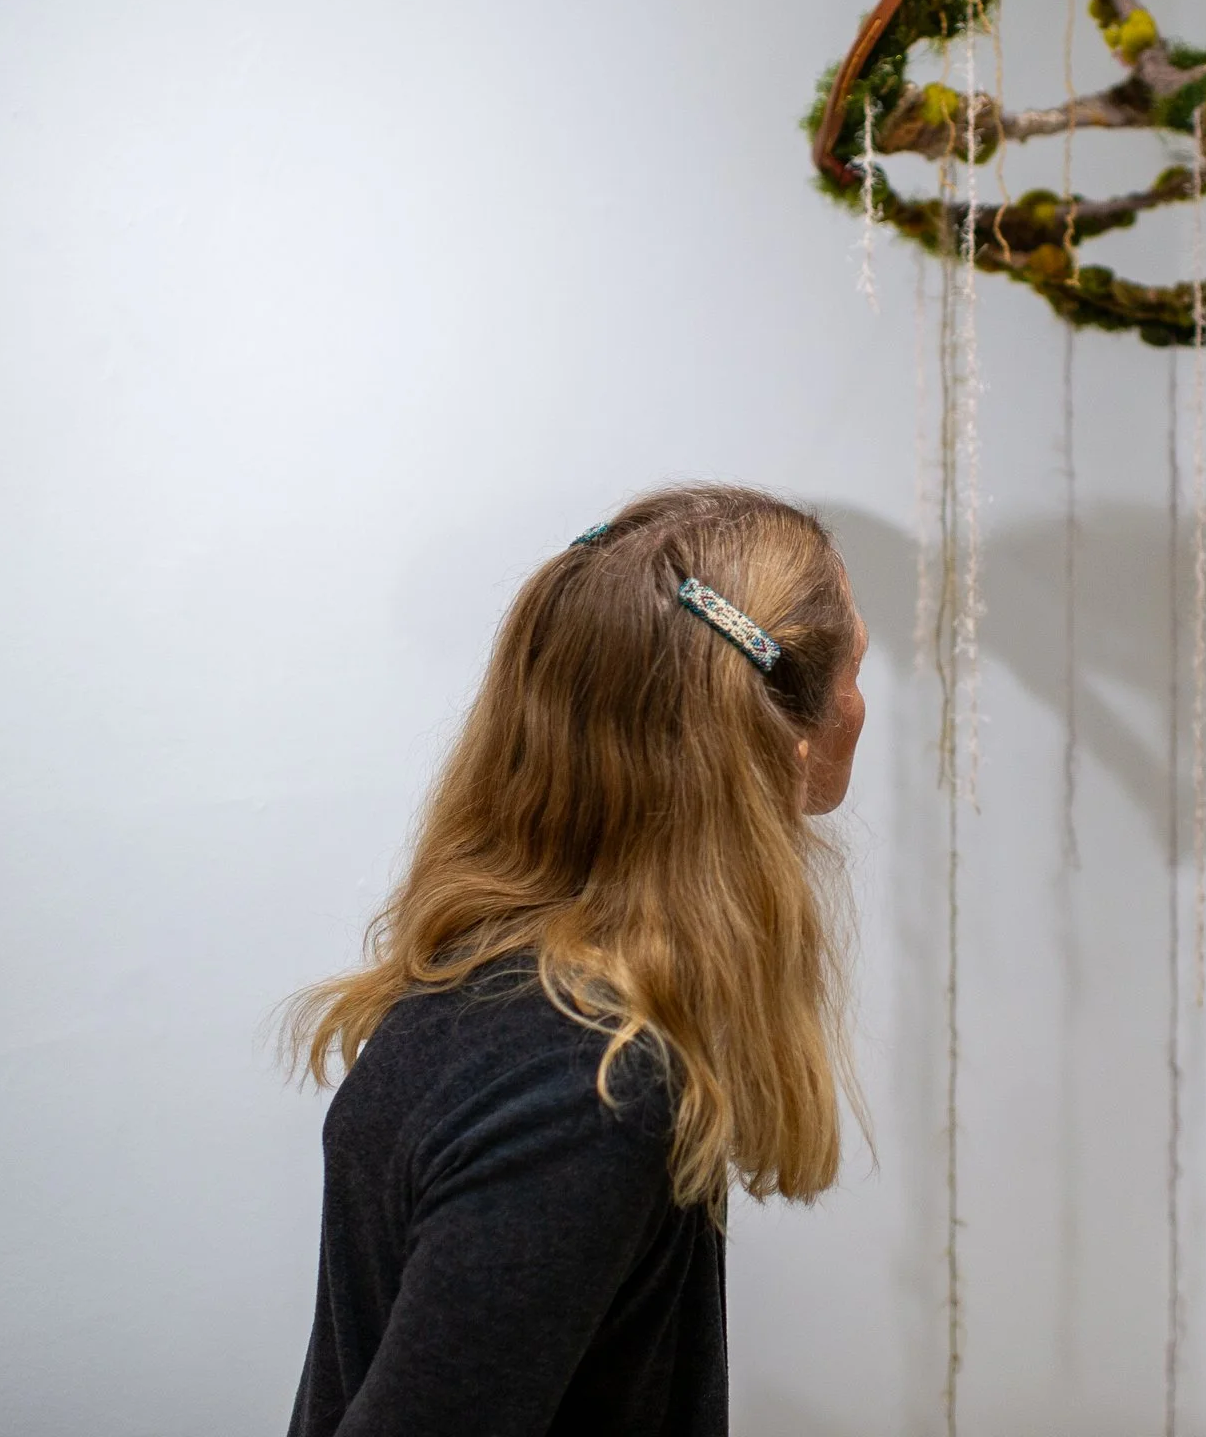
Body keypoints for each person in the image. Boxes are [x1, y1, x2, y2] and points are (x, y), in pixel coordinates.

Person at [285, 484, 868, 1437]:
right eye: (856, 668)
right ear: (784, 738)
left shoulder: (484, 992)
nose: (859, 704)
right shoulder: (588, 1089)